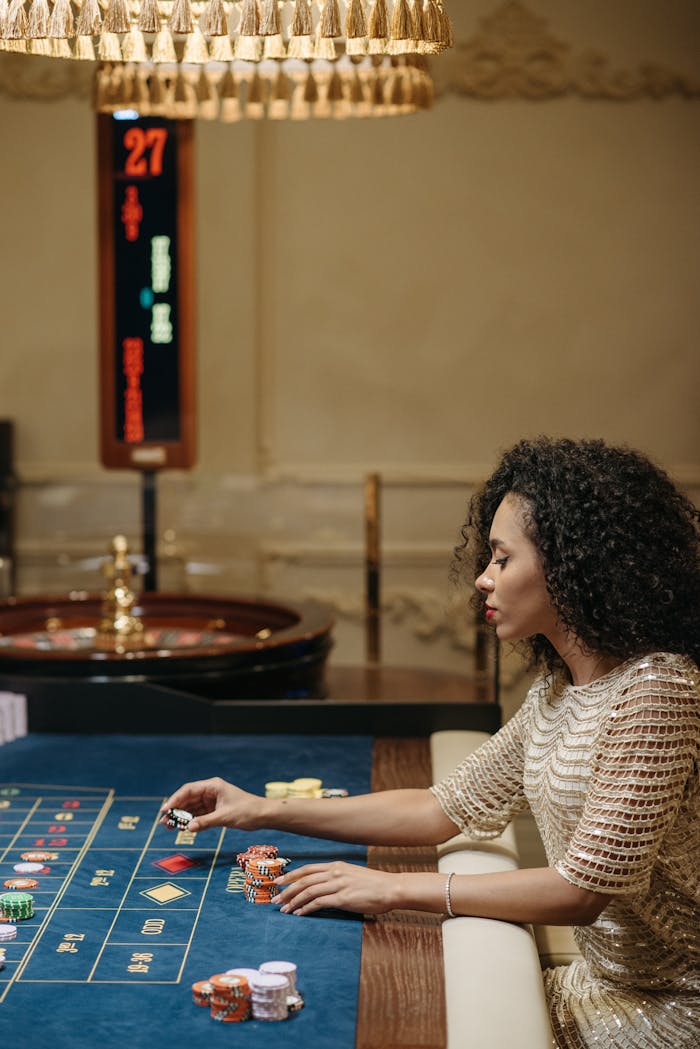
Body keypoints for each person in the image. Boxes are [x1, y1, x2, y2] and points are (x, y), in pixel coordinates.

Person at [162, 437, 700, 1049]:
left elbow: (579, 890)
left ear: (571, 564)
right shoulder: (557, 690)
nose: (482, 579)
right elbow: (440, 807)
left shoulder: (656, 688)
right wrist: (261, 810)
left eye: (502, 559)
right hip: (598, 985)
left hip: (676, 1009)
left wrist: (394, 890)